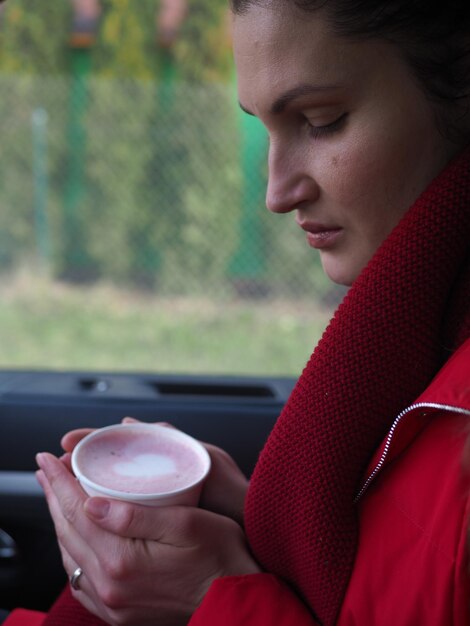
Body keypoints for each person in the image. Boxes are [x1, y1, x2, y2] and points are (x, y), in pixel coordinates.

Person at [4, 0, 470, 624]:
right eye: (262, 125)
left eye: (322, 120)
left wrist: (213, 601)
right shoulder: (418, 349)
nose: (277, 194)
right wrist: (255, 528)